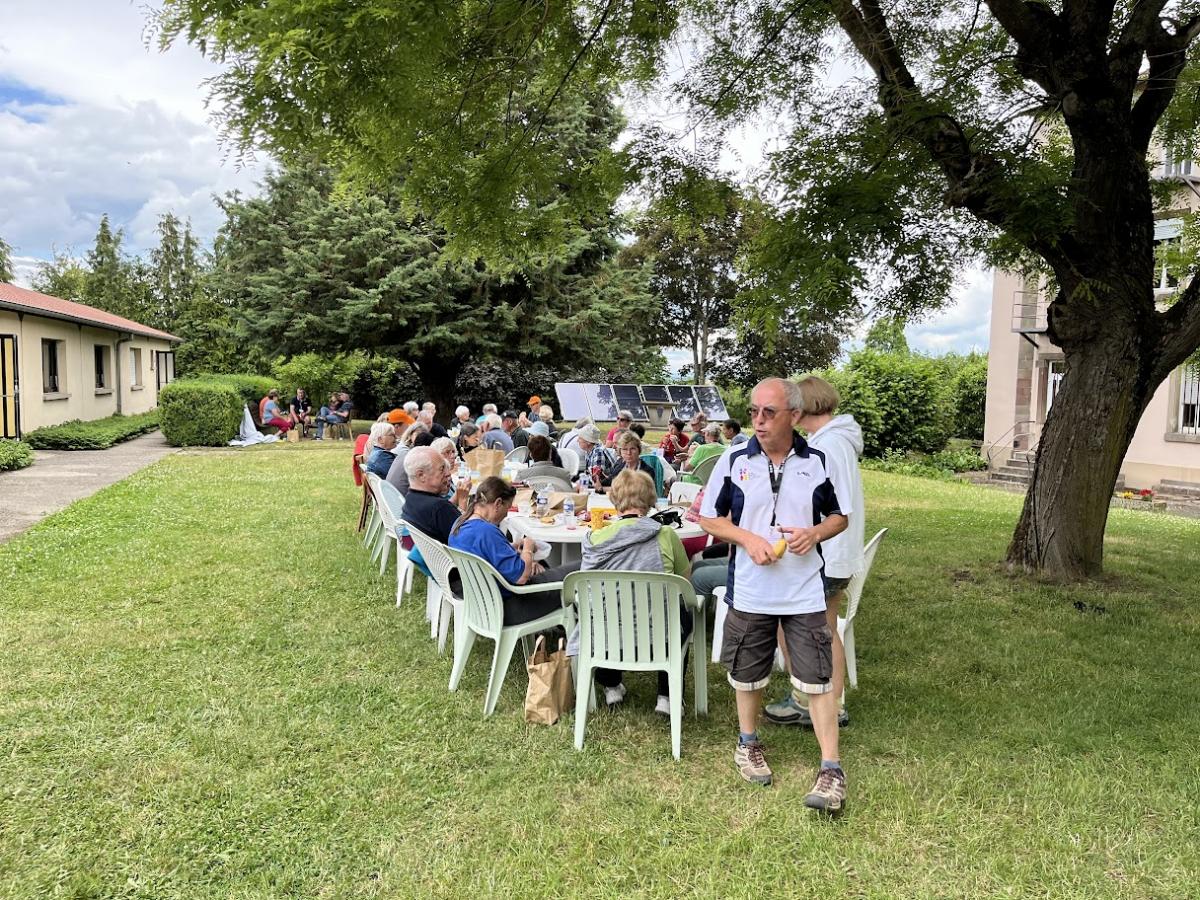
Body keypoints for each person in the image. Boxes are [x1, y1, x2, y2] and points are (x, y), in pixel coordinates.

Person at [697, 376, 848, 810]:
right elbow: (709, 518)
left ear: (794, 415)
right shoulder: (733, 460)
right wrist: (748, 539)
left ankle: (831, 769)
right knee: (747, 673)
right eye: (754, 412)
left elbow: (840, 516)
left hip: (804, 591)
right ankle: (748, 743)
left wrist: (814, 533)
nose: (758, 421)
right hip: (751, 590)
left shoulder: (818, 460)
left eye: (769, 413)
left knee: (818, 679)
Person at [764, 375, 865, 731]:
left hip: (826, 552)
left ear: (802, 408)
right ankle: (824, 701)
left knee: (801, 626)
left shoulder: (827, 447)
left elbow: (819, 504)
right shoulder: (837, 441)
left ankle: (813, 701)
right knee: (824, 629)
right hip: (836, 552)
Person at [580, 469, 693, 714]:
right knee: (682, 612)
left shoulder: (595, 539)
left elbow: (586, 591)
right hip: (659, 638)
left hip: (606, 639)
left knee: (603, 608)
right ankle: (667, 696)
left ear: (615, 499)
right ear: (650, 498)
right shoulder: (665, 534)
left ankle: (611, 686)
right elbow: (685, 581)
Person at [449, 477, 580, 624]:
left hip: (483, 603)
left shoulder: (460, 524)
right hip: (510, 606)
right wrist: (528, 547)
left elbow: (485, 554)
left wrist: (512, 547)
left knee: (547, 567)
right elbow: (521, 577)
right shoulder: (487, 532)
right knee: (581, 568)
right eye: (507, 508)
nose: (506, 514)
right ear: (498, 503)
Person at [401, 446, 471, 547]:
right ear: (421, 475)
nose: (448, 473)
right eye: (442, 469)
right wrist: (463, 501)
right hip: (449, 556)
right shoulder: (439, 508)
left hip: (425, 552)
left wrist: (457, 496)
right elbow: (467, 539)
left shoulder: (411, 498)